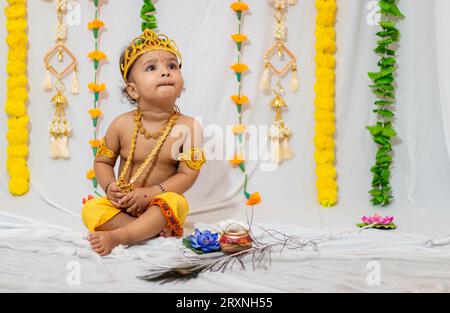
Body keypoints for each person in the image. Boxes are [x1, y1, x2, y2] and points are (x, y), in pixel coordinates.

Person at [81, 29, 206, 256]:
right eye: (152, 68)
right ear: (133, 90)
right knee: (92, 208)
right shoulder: (121, 124)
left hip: (159, 204)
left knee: (176, 203)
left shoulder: (189, 127)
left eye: (172, 66)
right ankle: (149, 231)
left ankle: (120, 235)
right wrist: (110, 188)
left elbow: (187, 175)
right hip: (124, 204)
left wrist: (149, 194)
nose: (165, 73)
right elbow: (102, 162)